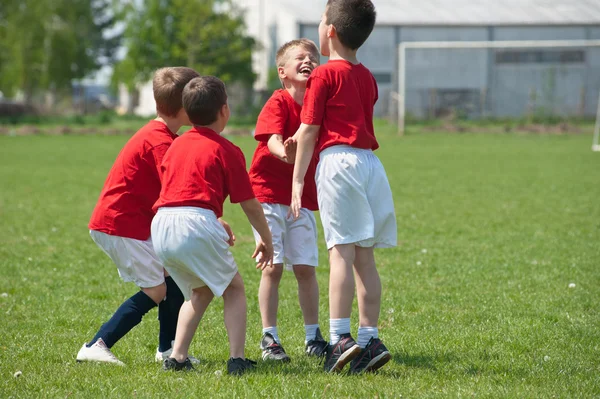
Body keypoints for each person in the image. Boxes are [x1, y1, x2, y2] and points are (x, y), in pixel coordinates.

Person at [288, 0, 397, 374]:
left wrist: (298, 178)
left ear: (330, 31)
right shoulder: (367, 76)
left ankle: (339, 340)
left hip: (339, 163)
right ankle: (369, 341)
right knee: (365, 257)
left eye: (321, 21)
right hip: (370, 165)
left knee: (340, 255)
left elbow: (309, 129)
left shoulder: (322, 76)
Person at [76, 67, 202, 366]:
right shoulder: (161, 143)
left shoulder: (160, 135)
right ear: (185, 107)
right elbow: (175, 190)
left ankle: (167, 349)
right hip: (119, 225)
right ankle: (97, 344)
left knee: (170, 278)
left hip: (129, 223)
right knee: (157, 289)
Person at [151, 76, 274, 376]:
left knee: (201, 290)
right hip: (195, 223)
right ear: (224, 111)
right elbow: (250, 205)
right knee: (233, 288)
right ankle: (237, 360)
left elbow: (180, 191)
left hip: (162, 225)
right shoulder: (228, 150)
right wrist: (266, 239)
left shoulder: (175, 146)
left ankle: (177, 357)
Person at [248, 39, 328, 363]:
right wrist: (285, 153)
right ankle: (270, 338)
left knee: (306, 268)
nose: (308, 60)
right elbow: (271, 140)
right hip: (268, 194)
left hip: (302, 198)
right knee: (273, 268)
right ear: (282, 72)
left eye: (313, 57)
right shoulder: (278, 101)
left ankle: (313, 337)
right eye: (300, 57)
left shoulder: (318, 105)